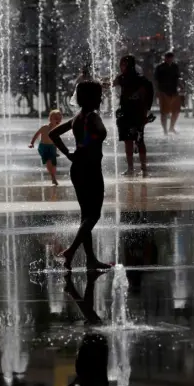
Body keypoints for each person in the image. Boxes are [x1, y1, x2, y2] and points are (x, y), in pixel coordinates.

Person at [49, 81, 111, 271]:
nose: (101, 98)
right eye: (99, 95)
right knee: (94, 215)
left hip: (77, 168)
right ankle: (72, 251)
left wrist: (69, 153)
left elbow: (53, 133)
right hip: (91, 169)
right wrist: (88, 141)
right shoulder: (92, 117)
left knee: (86, 216)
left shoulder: (77, 117)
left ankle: (90, 259)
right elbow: (99, 134)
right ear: (93, 98)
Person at [113, 55, 154, 176]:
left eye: (122, 64)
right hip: (135, 114)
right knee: (138, 140)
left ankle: (132, 168)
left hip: (131, 113)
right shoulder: (139, 79)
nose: (120, 67)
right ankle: (142, 168)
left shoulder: (126, 78)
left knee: (130, 141)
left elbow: (110, 84)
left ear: (128, 65)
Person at [29, 109, 63, 186]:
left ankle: (53, 176)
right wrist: (32, 143)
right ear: (50, 119)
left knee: (53, 164)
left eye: (59, 119)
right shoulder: (44, 127)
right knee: (48, 161)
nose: (58, 121)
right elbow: (37, 134)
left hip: (52, 147)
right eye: (56, 119)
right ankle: (53, 178)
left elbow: (57, 141)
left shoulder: (57, 129)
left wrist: (57, 150)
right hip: (43, 147)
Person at [154, 52, 182, 135]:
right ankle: (165, 130)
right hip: (163, 91)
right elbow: (156, 79)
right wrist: (157, 91)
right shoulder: (160, 67)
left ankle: (171, 127)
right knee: (164, 112)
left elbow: (177, 78)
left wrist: (181, 86)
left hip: (174, 91)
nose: (170, 59)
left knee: (176, 111)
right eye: (168, 58)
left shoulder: (175, 66)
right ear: (165, 58)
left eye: (171, 58)